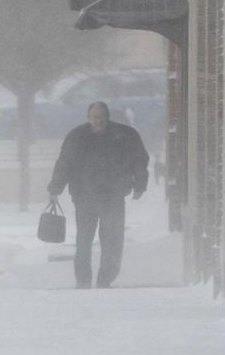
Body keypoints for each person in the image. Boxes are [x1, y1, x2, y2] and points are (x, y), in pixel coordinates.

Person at [47, 101, 149, 289]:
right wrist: (55, 188)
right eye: (95, 117)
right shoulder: (77, 137)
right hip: (84, 197)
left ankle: (106, 277)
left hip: (113, 195)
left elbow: (139, 160)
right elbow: (64, 164)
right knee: (84, 240)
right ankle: (83, 279)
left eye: (102, 117)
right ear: (88, 118)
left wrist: (140, 185)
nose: (99, 121)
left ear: (108, 117)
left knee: (113, 239)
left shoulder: (125, 136)